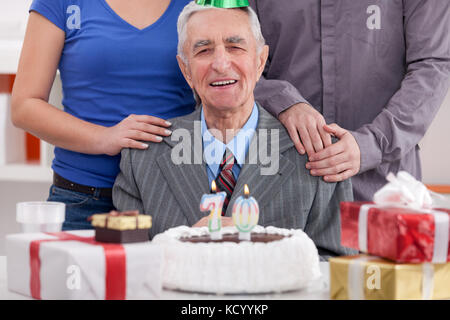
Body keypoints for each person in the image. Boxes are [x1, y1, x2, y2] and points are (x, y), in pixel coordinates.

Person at [113, 2, 357, 259]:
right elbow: (130, 266)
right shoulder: (141, 158)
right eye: (204, 50)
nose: (220, 63)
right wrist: (180, 247)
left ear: (260, 61)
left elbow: (338, 268)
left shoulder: (320, 154)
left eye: (235, 47)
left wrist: (261, 254)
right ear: (186, 71)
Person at [11, 0, 196, 230]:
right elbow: (24, 106)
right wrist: (104, 137)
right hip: (84, 201)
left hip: (175, 196)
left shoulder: (198, 3)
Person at [250, 0, 450, 201]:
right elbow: (231, 58)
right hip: (281, 182)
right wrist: (282, 101)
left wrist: (373, 143)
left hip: (383, 190)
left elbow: (432, 65)